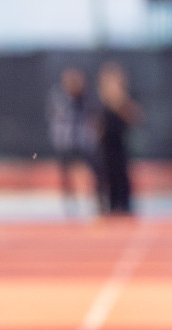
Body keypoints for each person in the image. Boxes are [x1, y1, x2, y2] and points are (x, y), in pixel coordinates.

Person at [47, 67, 96, 215]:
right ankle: (70, 204)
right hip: (65, 142)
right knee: (66, 174)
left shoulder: (85, 97)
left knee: (86, 171)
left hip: (82, 142)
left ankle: (89, 200)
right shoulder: (58, 96)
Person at [96, 62, 139, 216]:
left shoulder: (124, 101)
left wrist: (119, 101)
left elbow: (135, 117)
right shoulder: (100, 101)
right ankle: (109, 206)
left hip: (120, 144)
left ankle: (124, 205)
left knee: (122, 176)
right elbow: (96, 124)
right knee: (106, 176)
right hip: (105, 146)